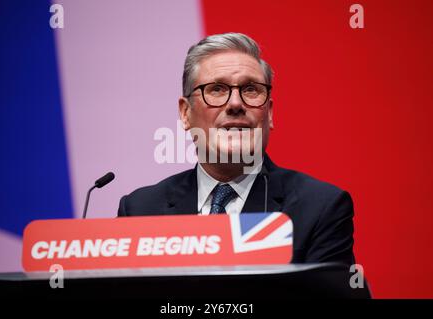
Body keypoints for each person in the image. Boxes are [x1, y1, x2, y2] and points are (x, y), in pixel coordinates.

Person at [118, 33, 355, 265]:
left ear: (269, 113)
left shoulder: (321, 207)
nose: (235, 104)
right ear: (185, 113)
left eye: (251, 89)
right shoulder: (140, 210)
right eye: (217, 89)